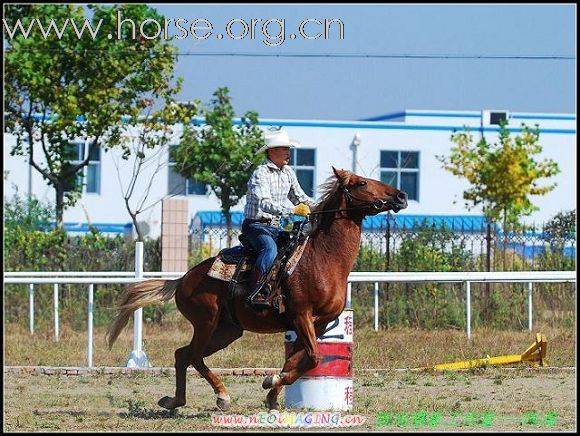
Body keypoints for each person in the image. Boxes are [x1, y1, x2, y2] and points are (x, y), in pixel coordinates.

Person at [242, 128, 314, 310]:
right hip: (256, 226)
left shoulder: (288, 172)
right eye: (284, 148)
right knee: (269, 249)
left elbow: (300, 197)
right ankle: (256, 290)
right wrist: (293, 210)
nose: (288, 152)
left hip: (275, 227)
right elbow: (264, 203)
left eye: (288, 148)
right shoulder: (261, 173)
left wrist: (320, 208)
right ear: (272, 151)